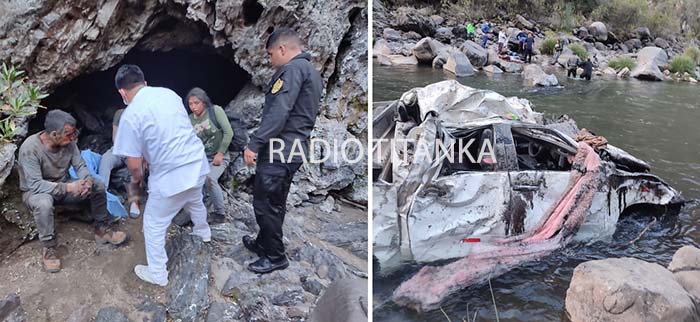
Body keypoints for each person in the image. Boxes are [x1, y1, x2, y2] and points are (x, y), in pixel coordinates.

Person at [112, 64, 211, 286]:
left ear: (122, 92)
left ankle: (157, 274)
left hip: (171, 175)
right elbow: (170, 131)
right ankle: (203, 233)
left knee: (154, 224)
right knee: (195, 201)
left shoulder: (130, 115)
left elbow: (134, 164)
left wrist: (137, 180)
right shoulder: (169, 94)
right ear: (144, 83)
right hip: (196, 163)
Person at [242, 27, 322, 274]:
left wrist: (255, 143)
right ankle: (264, 242)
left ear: (282, 49)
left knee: (265, 203)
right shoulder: (310, 71)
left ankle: (275, 256)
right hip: (293, 148)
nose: (270, 60)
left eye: (270, 54)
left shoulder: (291, 70)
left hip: (281, 149)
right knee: (275, 201)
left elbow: (279, 113)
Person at [18, 109, 128, 273]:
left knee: (98, 185)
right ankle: (49, 249)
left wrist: (86, 181)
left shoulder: (70, 144)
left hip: (62, 186)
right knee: (44, 203)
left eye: (74, 133)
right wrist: (69, 187)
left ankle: (101, 229)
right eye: (69, 134)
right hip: (37, 192)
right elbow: (35, 185)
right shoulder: (30, 148)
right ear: (55, 134)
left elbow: (80, 165)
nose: (73, 138)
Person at [186, 87, 233, 224]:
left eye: (196, 103)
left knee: (210, 179)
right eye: (190, 104)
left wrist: (220, 153)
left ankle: (220, 213)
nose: (193, 107)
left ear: (204, 102)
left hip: (219, 156)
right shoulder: (189, 120)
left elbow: (228, 132)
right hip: (201, 158)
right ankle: (193, 215)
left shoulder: (215, 111)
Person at [98, 108, 140, 217]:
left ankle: (134, 202)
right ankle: (102, 195)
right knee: (106, 159)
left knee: (136, 167)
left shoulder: (143, 115)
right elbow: (115, 137)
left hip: (134, 151)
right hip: (119, 149)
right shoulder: (119, 114)